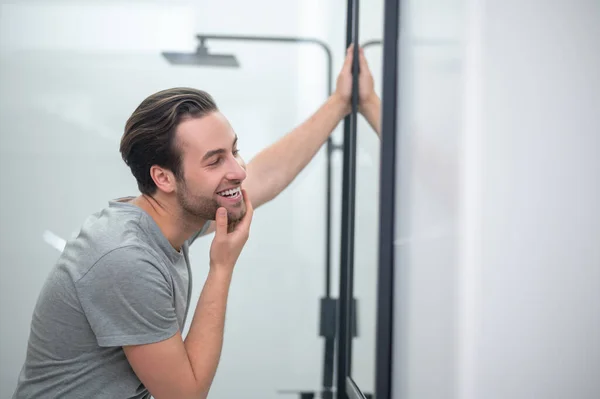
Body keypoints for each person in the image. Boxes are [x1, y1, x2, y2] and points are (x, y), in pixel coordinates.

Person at [12, 45, 381, 399]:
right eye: (215, 160)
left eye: (234, 150)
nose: (238, 170)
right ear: (164, 178)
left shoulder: (165, 216)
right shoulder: (124, 257)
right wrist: (221, 266)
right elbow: (184, 395)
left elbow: (264, 176)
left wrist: (340, 104)